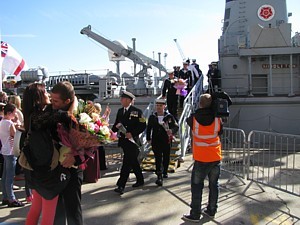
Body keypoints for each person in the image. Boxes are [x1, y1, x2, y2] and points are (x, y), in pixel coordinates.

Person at [22, 82, 71, 225]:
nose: (48, 94)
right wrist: (71, 103)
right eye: (45, 92)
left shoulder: (31, 116)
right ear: (38, 98)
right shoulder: (39, 117)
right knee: (48, 214)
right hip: (47, 173)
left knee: (36, 208)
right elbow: (64, 115)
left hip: (35, 169)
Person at [182, 93, 223, 222]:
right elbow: (221, 132)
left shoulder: (193, 119)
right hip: (215, 157)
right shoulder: (218, 119)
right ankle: (211, 210)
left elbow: (189, 121)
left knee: (197, 186)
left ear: (199, 103)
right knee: (214, 185)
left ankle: (195, 214)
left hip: (201, 158)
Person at [51, 81, 85, 225]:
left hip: (72, 171)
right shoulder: (50, 113)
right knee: (56, 212)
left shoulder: (81, 117)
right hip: (53, 170)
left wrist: (76, 157)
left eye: (55, 101)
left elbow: (90, 144)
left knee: (73, 210)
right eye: (51, 99)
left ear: (67, 101)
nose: (52, 103)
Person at [111, 90, 146, 195]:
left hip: (133, 142)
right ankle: (140, 180)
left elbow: (143, 125)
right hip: (124, 141)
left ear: (128, 100)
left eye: (122, 99)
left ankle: (121, 185)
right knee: (133, 162)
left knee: (126, 163)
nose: (121, 100)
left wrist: (132, 133)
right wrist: (112, 130)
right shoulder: (120, 111)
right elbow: (117, 124)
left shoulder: (137, 111)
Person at [146, 98, 178, 186]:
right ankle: (159, 174)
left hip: (166, 140)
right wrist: (148, 138)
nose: (159, 108)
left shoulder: (169, 116)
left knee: (166, 156)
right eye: (157, 106)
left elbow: (176, 126)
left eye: (160, 106)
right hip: (156, 140)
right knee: (158, 157)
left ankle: (165, 171)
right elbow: (149, 128)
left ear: (164, 106)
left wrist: (171, 131)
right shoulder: (153, 117)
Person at [0, 103, 25, 207]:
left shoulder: (2, 121)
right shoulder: (9, 123)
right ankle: (11, 198)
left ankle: (6, 197)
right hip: (10, 151)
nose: (15, 115)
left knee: (5, 175)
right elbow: (15, 135)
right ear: (9, 113)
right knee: (9, 176)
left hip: (5, 150)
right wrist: (17, 123)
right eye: (14, 113)